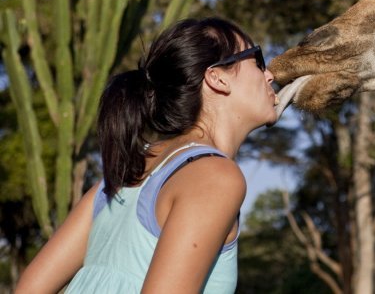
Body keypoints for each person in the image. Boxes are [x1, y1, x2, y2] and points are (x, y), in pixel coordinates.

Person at [16, 17, 279, 293]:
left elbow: (29, 288)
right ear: (217, 78)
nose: (269, 74)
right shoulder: (216, 177)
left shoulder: (123, 175)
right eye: (257, 60)